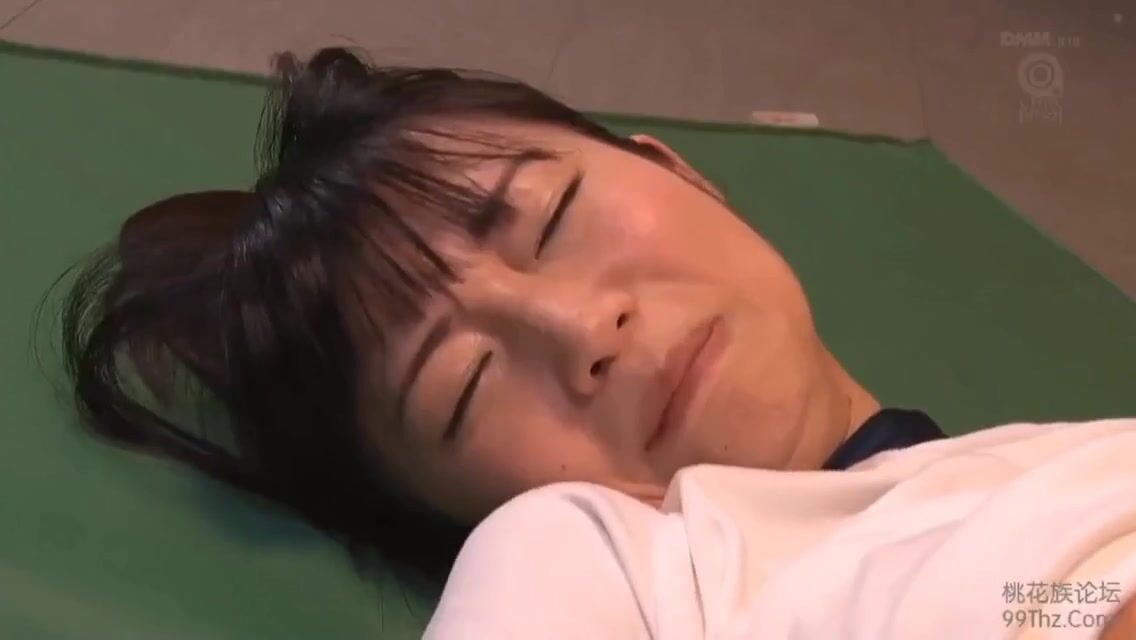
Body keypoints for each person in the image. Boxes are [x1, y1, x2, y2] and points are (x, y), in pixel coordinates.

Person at [58, 47, 1136, 638]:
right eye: (464, 384)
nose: (581, 330)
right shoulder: (595, 557)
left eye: (555, 217)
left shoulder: (1069, 464)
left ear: (677, 170)